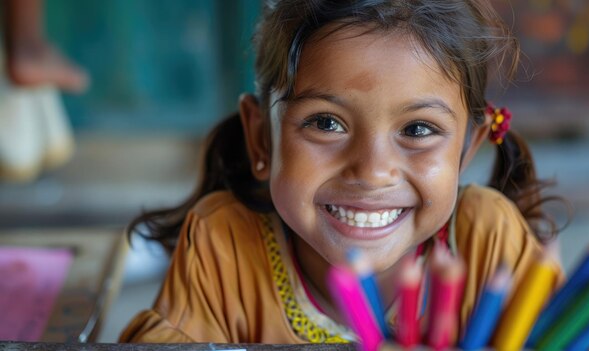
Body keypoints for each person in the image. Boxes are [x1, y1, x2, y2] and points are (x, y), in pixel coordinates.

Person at [119, 0, 563, 345]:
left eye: (418, 129)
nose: (371, 172)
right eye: (326, 123)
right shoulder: (224, 244)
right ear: (261, 138)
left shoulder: (488, 241)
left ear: (468, 150)